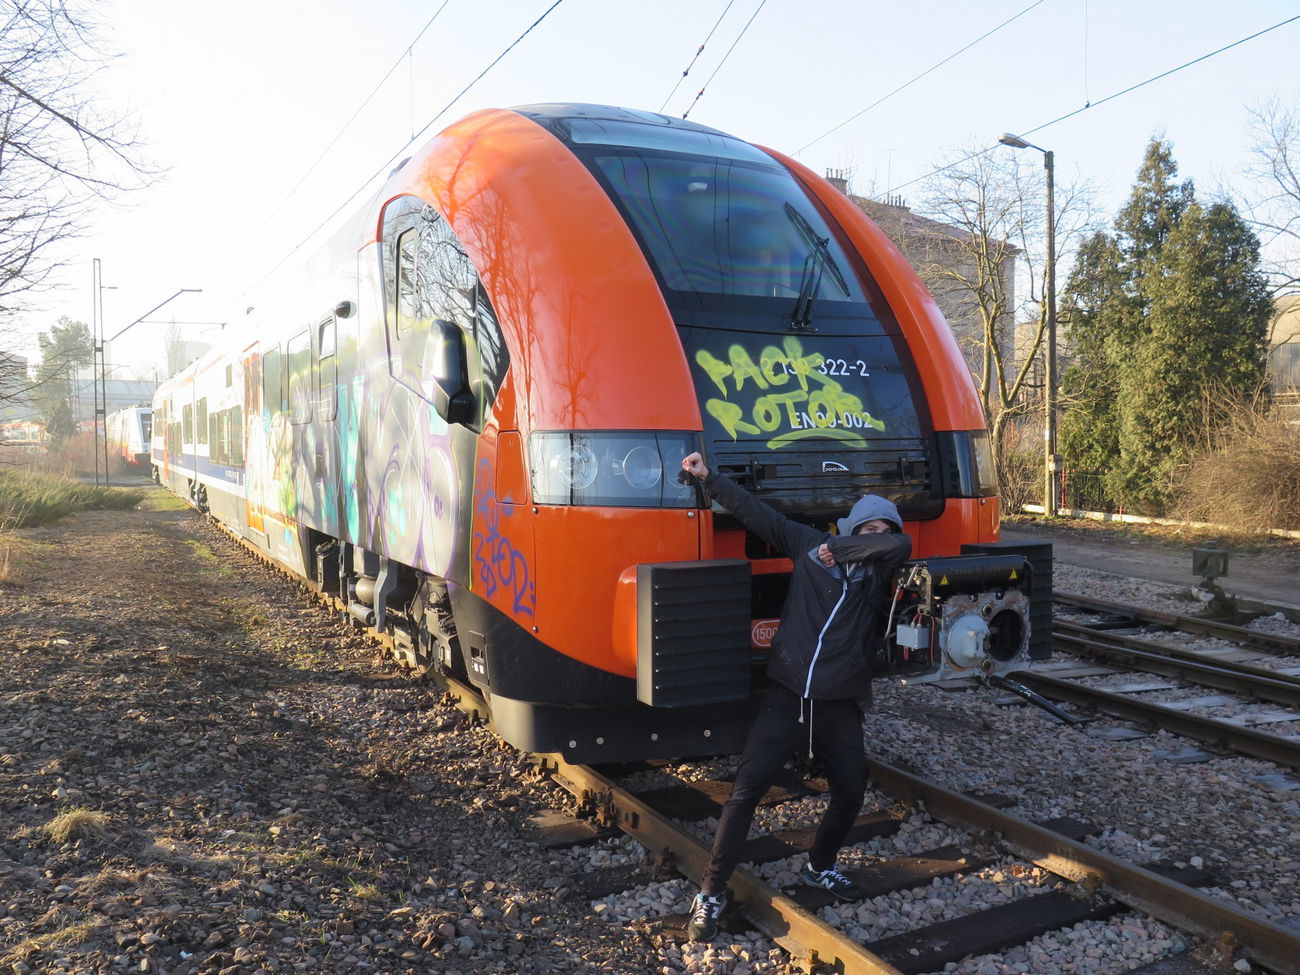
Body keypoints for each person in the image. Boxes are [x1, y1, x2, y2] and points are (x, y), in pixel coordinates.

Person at [678, 450, 912, 942]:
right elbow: (755, 512)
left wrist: (847, 551)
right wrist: (709, 478)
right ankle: (711, 892)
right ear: (849, 527)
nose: (876, 537)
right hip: (788, 697)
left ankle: (819, 865)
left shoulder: (879, 572)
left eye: (880, 531)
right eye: (865, 529)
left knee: (850, 792)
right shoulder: (807, 546)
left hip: (839, 703)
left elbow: (900, 545)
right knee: (745, 793)